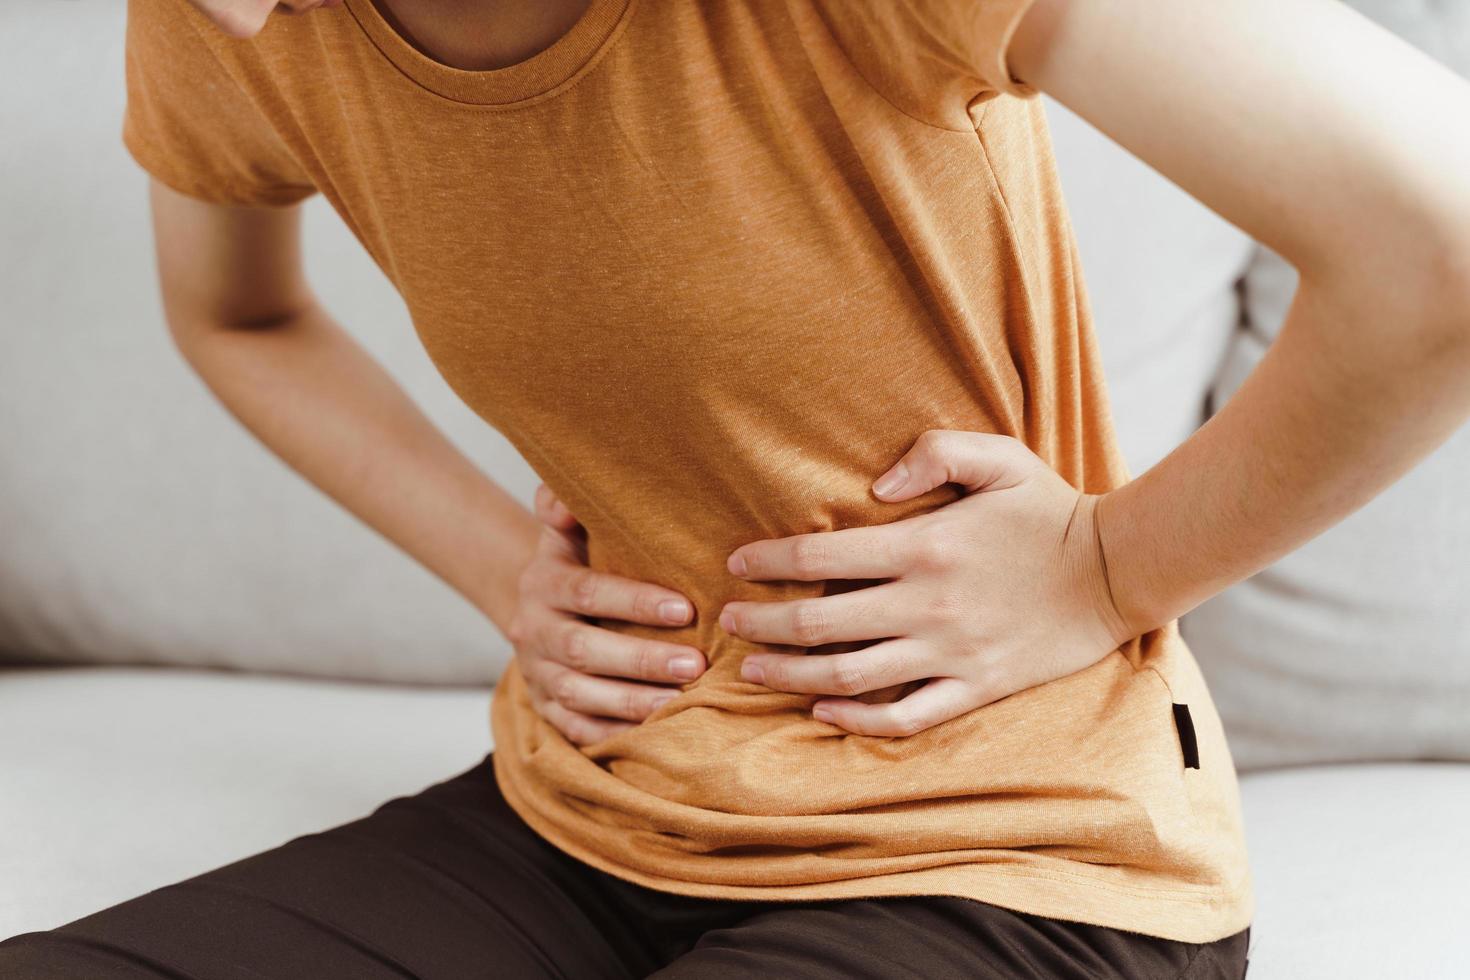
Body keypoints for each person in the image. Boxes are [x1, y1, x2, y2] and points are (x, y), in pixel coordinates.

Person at [5, 0, 1470, 975]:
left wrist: (1104, 568)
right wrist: (493, 569)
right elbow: (238, 315)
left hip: (1016, 851)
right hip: (582, 820)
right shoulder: (235, 28)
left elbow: (1438, 239)